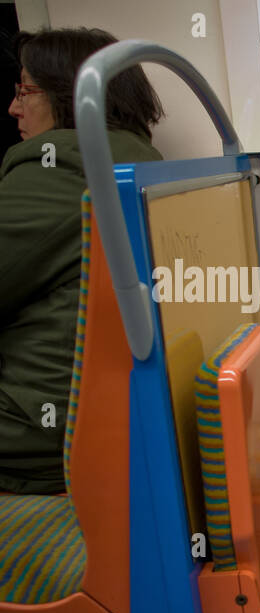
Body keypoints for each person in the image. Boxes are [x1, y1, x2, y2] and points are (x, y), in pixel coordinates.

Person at [0, 28, 163, 494]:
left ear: (66, 96)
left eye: (24, 91)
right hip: (116, 411)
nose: (14, 107)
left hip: (36, 421)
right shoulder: (144, 162)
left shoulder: (55, 172)